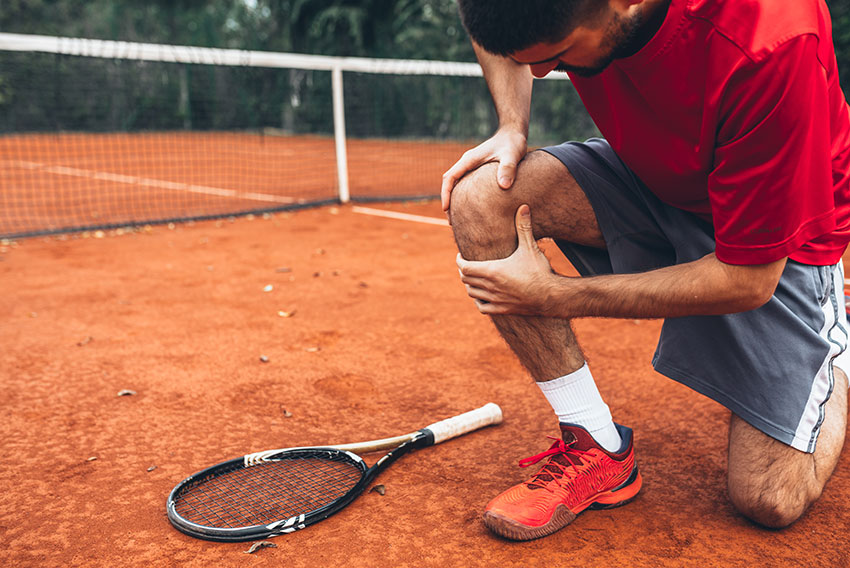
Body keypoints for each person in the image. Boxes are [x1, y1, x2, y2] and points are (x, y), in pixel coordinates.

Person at [442, 0, 850, 541]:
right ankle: (596, 444)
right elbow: (499, 30)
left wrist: (557, 295)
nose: (539, 73)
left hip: (775, 232)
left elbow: (746, 279)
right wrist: (511, 125)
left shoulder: (771, 41)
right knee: (480, 197)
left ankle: (834, 346)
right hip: (657, 181)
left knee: (769, 497)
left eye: (557, 56)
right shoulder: (569, 22)